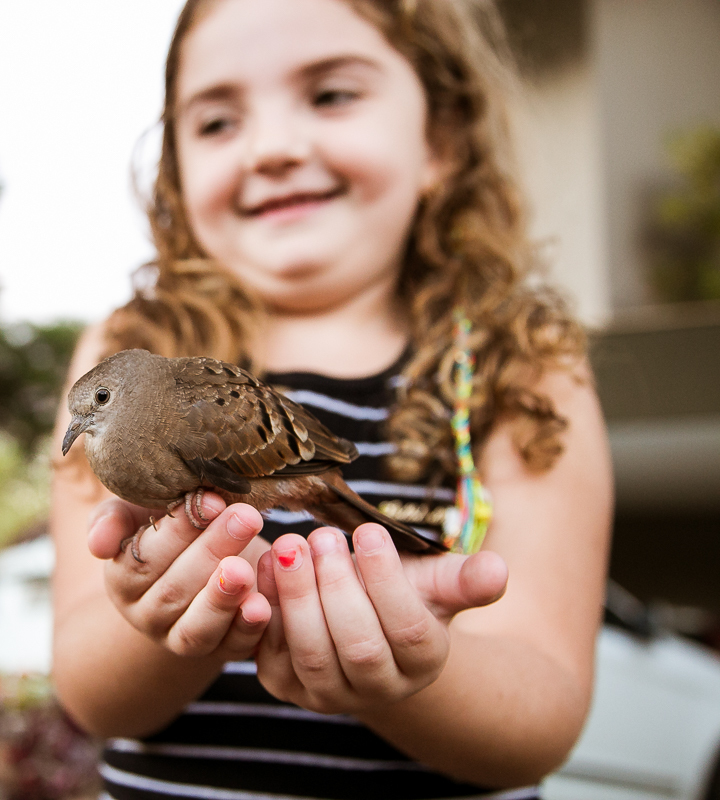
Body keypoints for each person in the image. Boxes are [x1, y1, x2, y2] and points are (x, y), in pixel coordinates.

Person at [50, 0, 613, 797]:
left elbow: (543, 715)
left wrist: (411, 661)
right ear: (175, 166)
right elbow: (85, 689)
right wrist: (164, 609)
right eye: (216, 121)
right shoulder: (121, 346)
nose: (276, 147)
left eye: (331, 95)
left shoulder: (523, 366)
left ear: (441, 144)